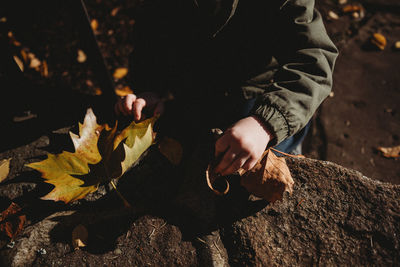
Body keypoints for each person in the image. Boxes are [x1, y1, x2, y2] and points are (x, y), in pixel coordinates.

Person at [115, 0, 338, 176]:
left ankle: (289, 149)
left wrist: (266, 123)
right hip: (195, 92)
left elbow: (314, 58)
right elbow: (153, 35)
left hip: (256, 97)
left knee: (266, 154)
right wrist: (150, 88)